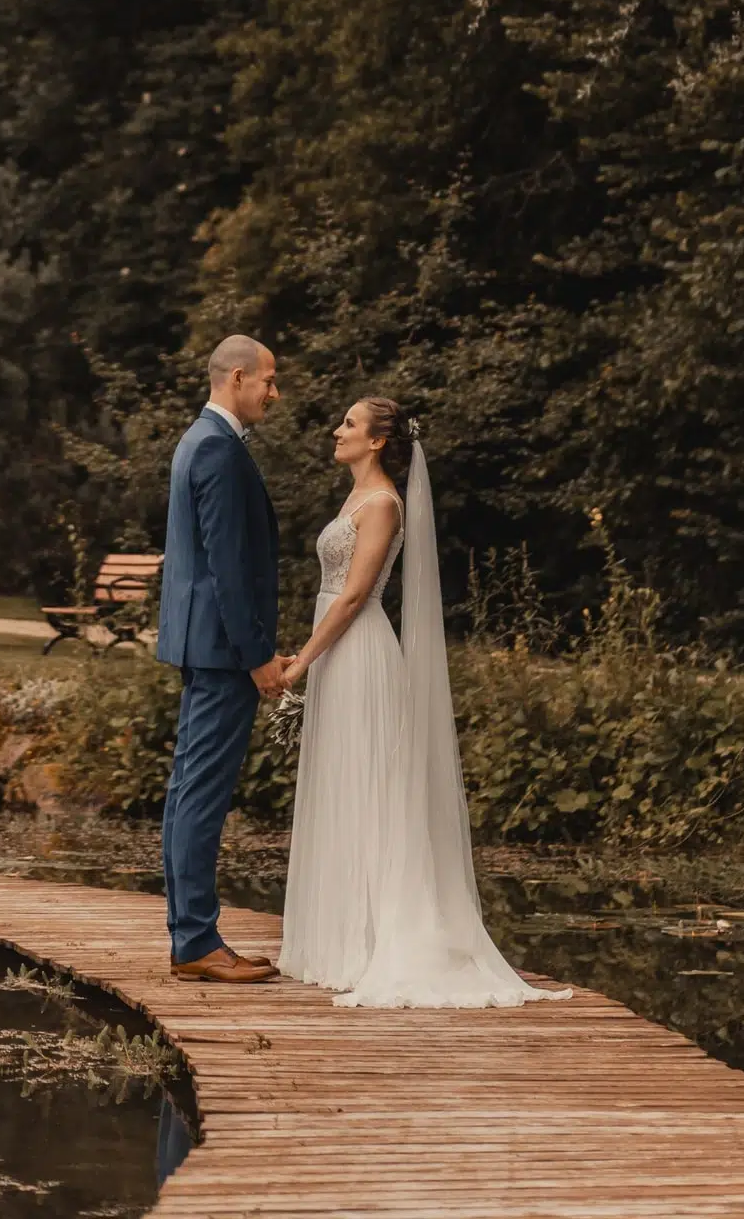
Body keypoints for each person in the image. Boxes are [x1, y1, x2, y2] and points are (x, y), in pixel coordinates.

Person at [278, 397, 563, 1008]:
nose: (337, 430)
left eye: (349, 424)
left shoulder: (382, 503)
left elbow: (354, 596)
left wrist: (301, 659)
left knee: (369, 784)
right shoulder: (355, 498)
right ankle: (339, 940)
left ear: (378, 441)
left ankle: (373, 940)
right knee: (341, 782)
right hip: (335, 651)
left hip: (358, 651)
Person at [157, 333, 288, 983]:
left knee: (188, 790)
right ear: (235, 377)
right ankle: (197, 941)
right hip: (221, 650)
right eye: (266, 378)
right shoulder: (217, 450)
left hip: (202, 643)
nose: (273, 390)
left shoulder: (196, 441)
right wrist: (257, 655)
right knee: (200, 793)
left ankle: (190, 937)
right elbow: (228, 569)